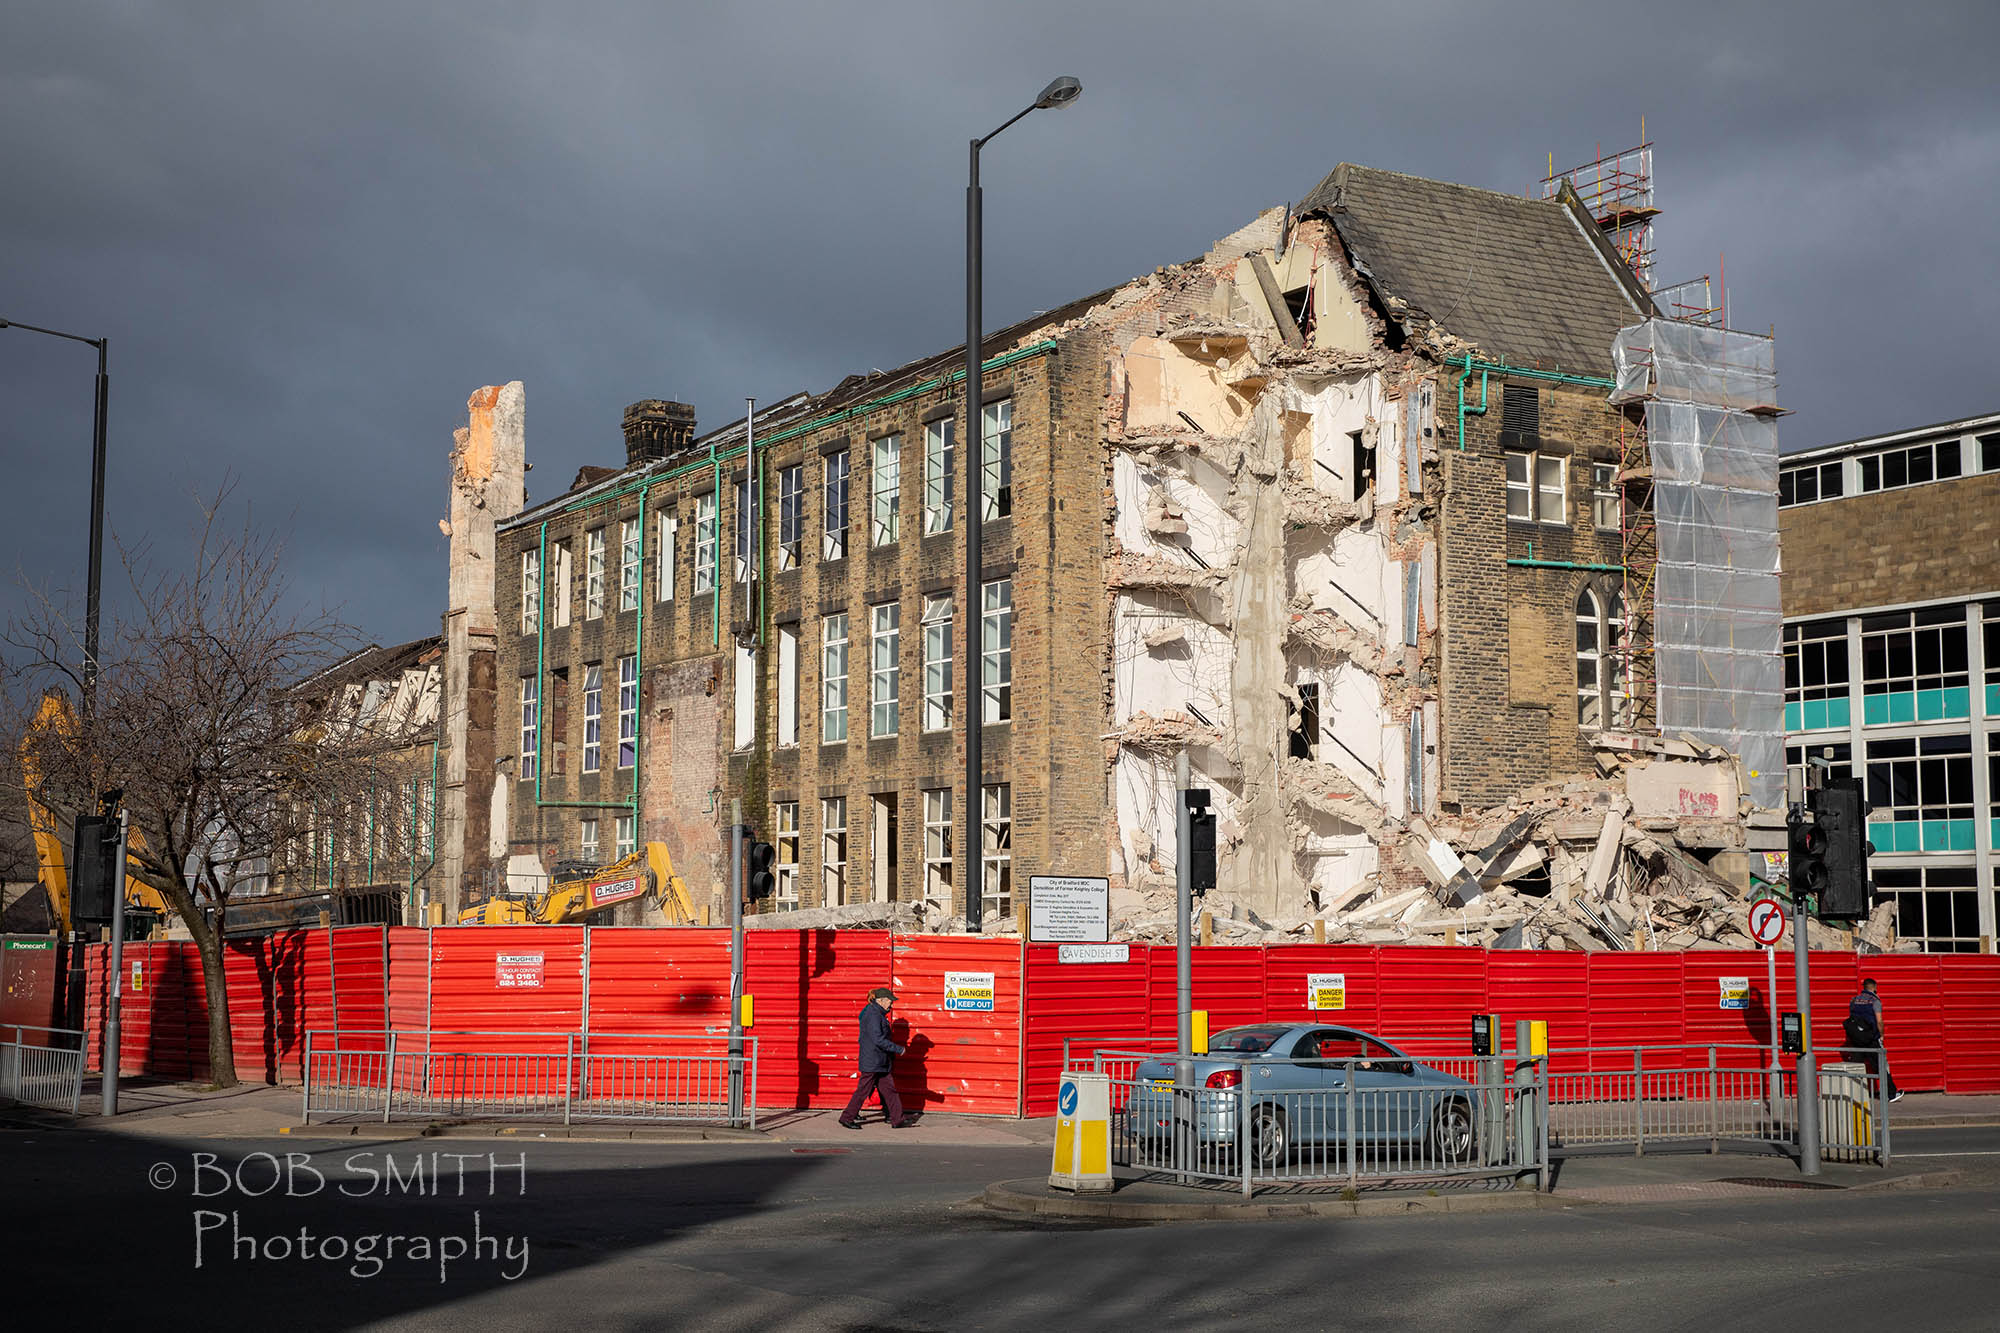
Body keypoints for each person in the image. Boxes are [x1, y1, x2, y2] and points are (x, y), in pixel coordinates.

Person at [839, 986, 917, 1128]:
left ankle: (897, 1119)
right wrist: (898, 1049)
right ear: (881, 1000)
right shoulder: (874, 1014)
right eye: (890, 1001)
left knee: (889, 1090)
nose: (891, 1004)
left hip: (879, 1061)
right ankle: (847, 1118)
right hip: (873, 1061)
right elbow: (878, 1039)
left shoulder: (874, 1012)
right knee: (863, 1090)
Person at [1844, 977, 1903, 1102]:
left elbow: (1853, 1019)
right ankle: (1891, 1094)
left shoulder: (1854, 1000)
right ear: (1875, 988)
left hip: (1857, 1039)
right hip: (1871, 1040)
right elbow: (1879, 1021)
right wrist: (1881, 1035)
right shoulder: (1875, 1001)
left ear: (1864, 987)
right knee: (1881, 1066)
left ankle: (1850, 1094)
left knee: (1855, 1066)